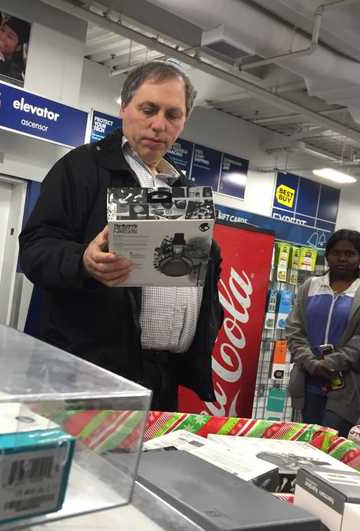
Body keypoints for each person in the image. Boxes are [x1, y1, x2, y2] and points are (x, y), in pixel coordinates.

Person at [19, 60, 223, 411]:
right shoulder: (81, 168)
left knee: (150, 465)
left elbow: (199, 276)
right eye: (148, 109)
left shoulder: (184, 191)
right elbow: (35, 248)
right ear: (124, 107)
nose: (159, 125)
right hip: (89, 374)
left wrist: (209, 317)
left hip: (163, 378)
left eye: (173, 115)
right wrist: (82, 260)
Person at [286, 230, 360, 437]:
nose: (342, 258)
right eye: (336, 252)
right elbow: (294, 329)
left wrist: (331, 363)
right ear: (327, 255)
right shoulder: (310, 286)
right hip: (308, 380)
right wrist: (311, 363)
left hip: (348, 385)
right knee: (306, 444)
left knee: (329, 445)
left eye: (350, 254)